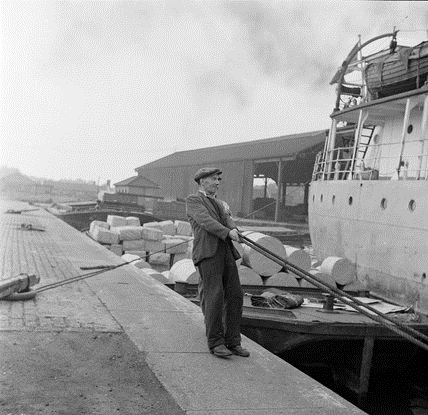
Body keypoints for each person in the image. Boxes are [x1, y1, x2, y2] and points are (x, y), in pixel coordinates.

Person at [186, 167, 250, 358]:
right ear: (203, 181)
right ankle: (216, 343)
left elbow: (227, 219)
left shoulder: (220, 204)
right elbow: (206, 221)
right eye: (214, 179)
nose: (217, 183)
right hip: (207, 253)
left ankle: (233, 342)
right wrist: (228, 232)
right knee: (215, 296)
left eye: (218, 180)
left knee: (236, 295)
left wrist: (236, 230)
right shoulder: (194, 200)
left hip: (225, 252)